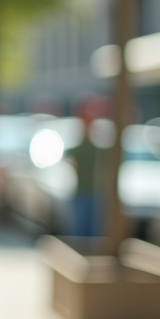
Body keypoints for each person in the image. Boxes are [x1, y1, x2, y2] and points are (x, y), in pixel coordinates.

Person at [66, 99, 107, 238]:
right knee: (81, 229)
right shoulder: (81, 147)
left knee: (92, 230)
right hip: (82, 191)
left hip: (94, 192)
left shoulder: (97, 147)